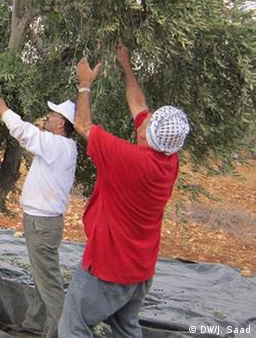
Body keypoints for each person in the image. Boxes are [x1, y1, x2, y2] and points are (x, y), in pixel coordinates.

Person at [59, 42, 190, 337]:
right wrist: (126, 64)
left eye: (150, 121)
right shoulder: (168, 160)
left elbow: (82, 124)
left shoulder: (129, 161)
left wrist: (84, 85)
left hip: (108, 267)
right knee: (126, 328)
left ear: (149, 135)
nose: (146, 118)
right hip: (140, 271)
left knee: (73, 325)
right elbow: (139, 105)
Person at [0, 89, 77, 338]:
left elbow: (23, 132)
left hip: (42, 223)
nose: (47, 116)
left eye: (52, 114)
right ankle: (34, 324)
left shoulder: (57, 145)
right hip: (43, 222)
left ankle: (60, 332)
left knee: (49, 282)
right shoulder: (62, 146)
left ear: (61, 123)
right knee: (41, 275)